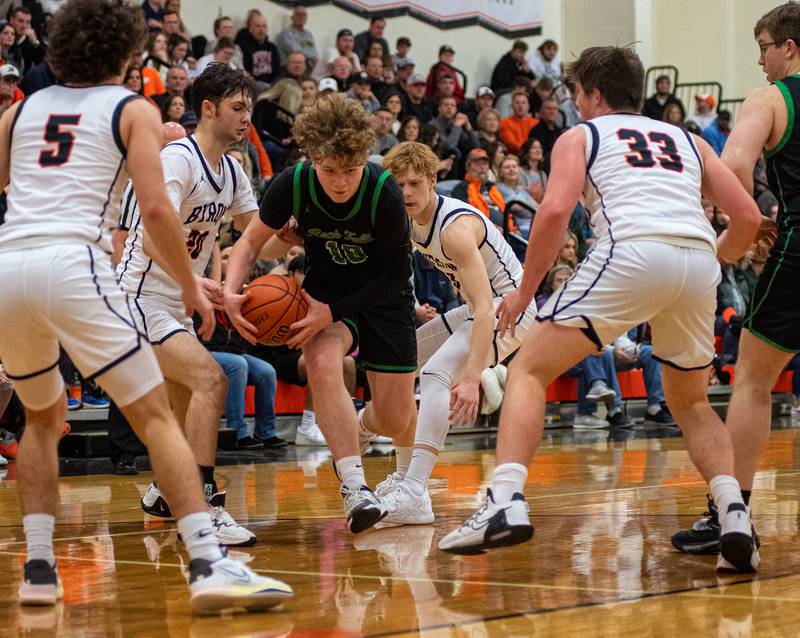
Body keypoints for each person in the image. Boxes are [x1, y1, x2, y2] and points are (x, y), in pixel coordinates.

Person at [0, 0, 291, 612]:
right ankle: (209, 561)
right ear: (130, 56)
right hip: (79, 267)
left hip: (11, 269)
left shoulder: (22, 110)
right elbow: (156, 211)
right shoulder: (132, 109)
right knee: (160, 416)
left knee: (40, 420)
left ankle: (38, 568)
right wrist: (192, 286)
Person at [440, 46, 762, 578]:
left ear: (592, 93)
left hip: (630, 251)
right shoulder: (691, 139)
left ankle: (503, 500)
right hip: (698, 262)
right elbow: (747, 216)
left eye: (576, 95)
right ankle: (733, 516)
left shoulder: (581, 135)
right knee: (692, 402)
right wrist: (713, 258)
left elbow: (557, 210)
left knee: (527, 369)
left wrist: (524, 290)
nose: (576, 105)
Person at [223, 94, 418, 534]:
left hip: (383, 297)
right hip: (325, 290)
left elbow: (393, 276)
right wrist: (233, 293)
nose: (341, 182)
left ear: (362, 161)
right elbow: (251, 242)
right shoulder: (293, 182)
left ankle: (355, 429)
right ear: (312, 158)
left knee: (395, 419)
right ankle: (355, 487)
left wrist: (335, 310)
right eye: (329, 170)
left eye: (350, 170)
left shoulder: (382, 190)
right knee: (323, 361)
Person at [671, 2, 799, 561]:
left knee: (751, 379)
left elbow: (733, 162)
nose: (760, 59)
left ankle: (732, 510)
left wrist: (747, 221)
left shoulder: (771, 98)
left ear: (789, 47)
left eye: (765, 47)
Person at [116, 64, 262, 546]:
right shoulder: (178, 158)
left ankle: (167, 492)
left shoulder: (233, 170)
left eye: (250, 108)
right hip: (137, 296)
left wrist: (299, 225)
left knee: (186, 411)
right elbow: (153, 238)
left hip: (174, 299)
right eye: (238, 108)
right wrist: (199, 284)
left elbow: (256, 233)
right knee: (210, 380)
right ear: (208, 108)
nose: (246, 118)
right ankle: (203, 505)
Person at [377, 141, 537, 525]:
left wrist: (470, 377)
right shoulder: (409, 220)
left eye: (415, 183)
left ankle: (416, 490)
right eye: (399, 185)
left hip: (509, 311)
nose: (407, 193)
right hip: (478, 308)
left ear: (434, 181)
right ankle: (402, 478)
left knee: (436, 374)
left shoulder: (454, 230)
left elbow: (486, 309)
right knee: (402, 364)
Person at [238, 11, 280, 88]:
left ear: (267, 29)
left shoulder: (272, 47)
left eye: (264, 26)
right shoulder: (242, 46)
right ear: (250, 29)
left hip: (271, 86)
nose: (261, 30)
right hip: (250, 85)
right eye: (257, 26)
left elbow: (277, 70)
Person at [275, 5, 317, 70]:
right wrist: (311, 56)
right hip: (289, 69)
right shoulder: (286, 34)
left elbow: (314, 52)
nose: (301, 17)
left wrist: (312, 57)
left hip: (307, 68)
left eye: (304, 15)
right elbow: (296, 52)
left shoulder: (308, 34)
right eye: (298, 14)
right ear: (292, 17)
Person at [499, 91, 537, 156]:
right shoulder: (504, 123)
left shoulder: (536, 123)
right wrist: (528, 152)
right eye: (517, 103)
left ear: (528, 106)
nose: (520, 106)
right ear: (512, 106)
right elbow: (511, 143)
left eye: (523, 103)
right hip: (514, 158)